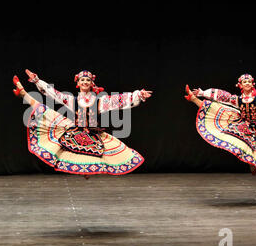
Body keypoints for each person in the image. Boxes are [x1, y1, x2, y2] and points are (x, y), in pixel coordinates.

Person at [13, 69, 152, 177]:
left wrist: (138, 94)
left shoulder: (99, 101)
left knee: (107, 152)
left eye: (87, 80)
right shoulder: (72, 100)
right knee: (46, 112)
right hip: (76, 131)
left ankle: (87, 170)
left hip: (92, 133)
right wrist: (37, 81)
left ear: (92, 83)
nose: (85, 82)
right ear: (78, 83)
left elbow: (119, 100)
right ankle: (23, 93)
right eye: (82, 80)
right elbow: (53, 93)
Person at [184, 74, 256, 174]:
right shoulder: (238, 100)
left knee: (251, 148)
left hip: (253, 127)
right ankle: (193, 98)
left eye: (249, 81)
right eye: (245, 81)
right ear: (240, 85)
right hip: (240, 122)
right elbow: (223, 96)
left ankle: (252, 163)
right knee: (216, 109)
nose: (247, 83)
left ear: (252, 84)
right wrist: (203, 92)